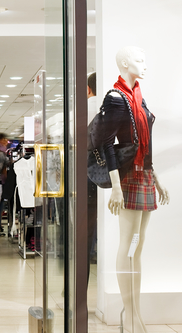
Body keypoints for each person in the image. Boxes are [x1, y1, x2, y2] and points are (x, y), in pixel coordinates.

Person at [103, 46, 169, 333]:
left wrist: (155, 178)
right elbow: (106, 143)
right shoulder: (116, 98)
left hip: (143, 176)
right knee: (126, 244)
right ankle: (129, 316)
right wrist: (115, 186)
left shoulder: (139, 99)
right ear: (125, 63)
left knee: (137, 248)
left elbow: (146, 143)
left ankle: (134, 313)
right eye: (139, 60)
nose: (144, 65)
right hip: (127, 178)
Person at [87, 72, 98, 277]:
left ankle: (79, 284)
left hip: (87, 174)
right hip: (112, 173)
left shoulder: (84, 109)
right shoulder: (114, 107)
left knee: (84, 231)